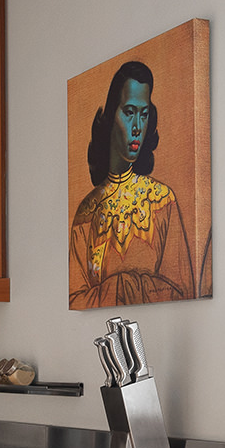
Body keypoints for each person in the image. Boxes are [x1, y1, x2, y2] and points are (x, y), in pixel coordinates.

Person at [70, 59, 196, 307]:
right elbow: (76, 300)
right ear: (111, 116)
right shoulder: (86, 213)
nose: (137, 127)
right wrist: (120, 286)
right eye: (129, 113)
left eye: (144, 114)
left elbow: (183, 290)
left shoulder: (162, 200)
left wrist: (124, 285)